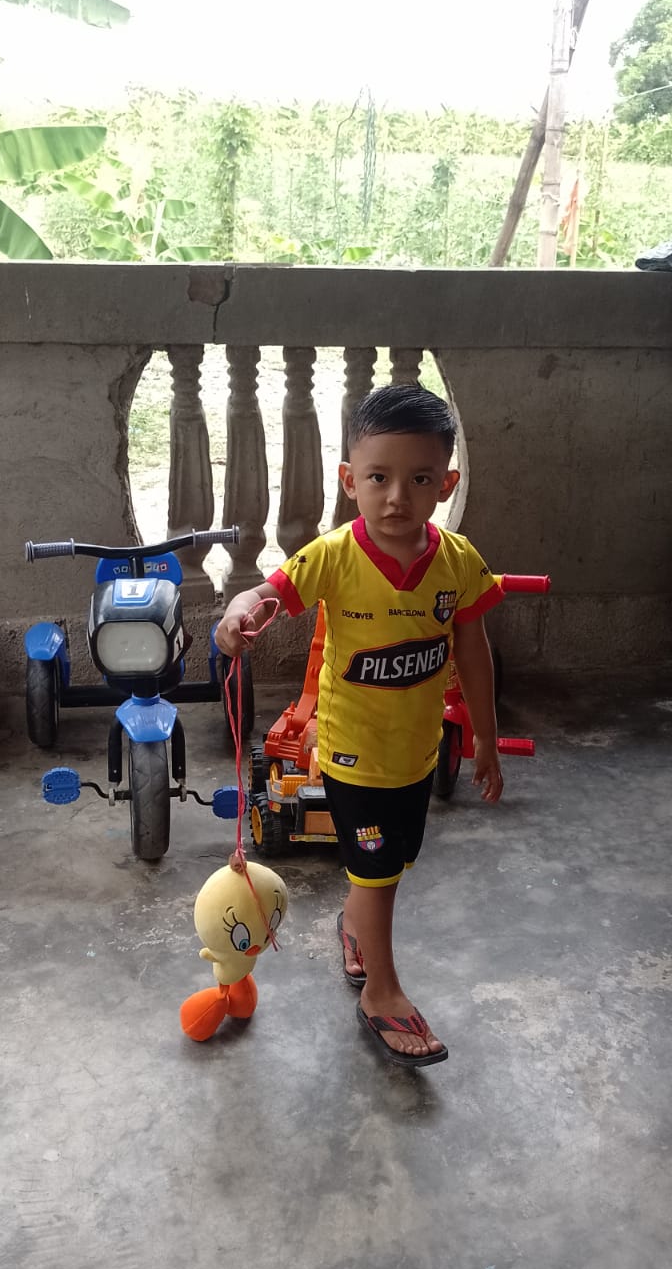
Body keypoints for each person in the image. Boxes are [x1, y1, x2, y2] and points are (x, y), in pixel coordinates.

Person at [215, 386, 504, 1067]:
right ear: (350, 481)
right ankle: (383, 991)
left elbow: (473, 652)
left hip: (417, 754)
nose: (397, 497)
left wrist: (486, 740)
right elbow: (264, 592)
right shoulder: (334, 556)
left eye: (420, 479)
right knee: (376, 872)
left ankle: (354, 926)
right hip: (352, 757)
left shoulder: (457, 562)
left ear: (446, 485)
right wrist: (237, 615)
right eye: (378, 478)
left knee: (392, 866)